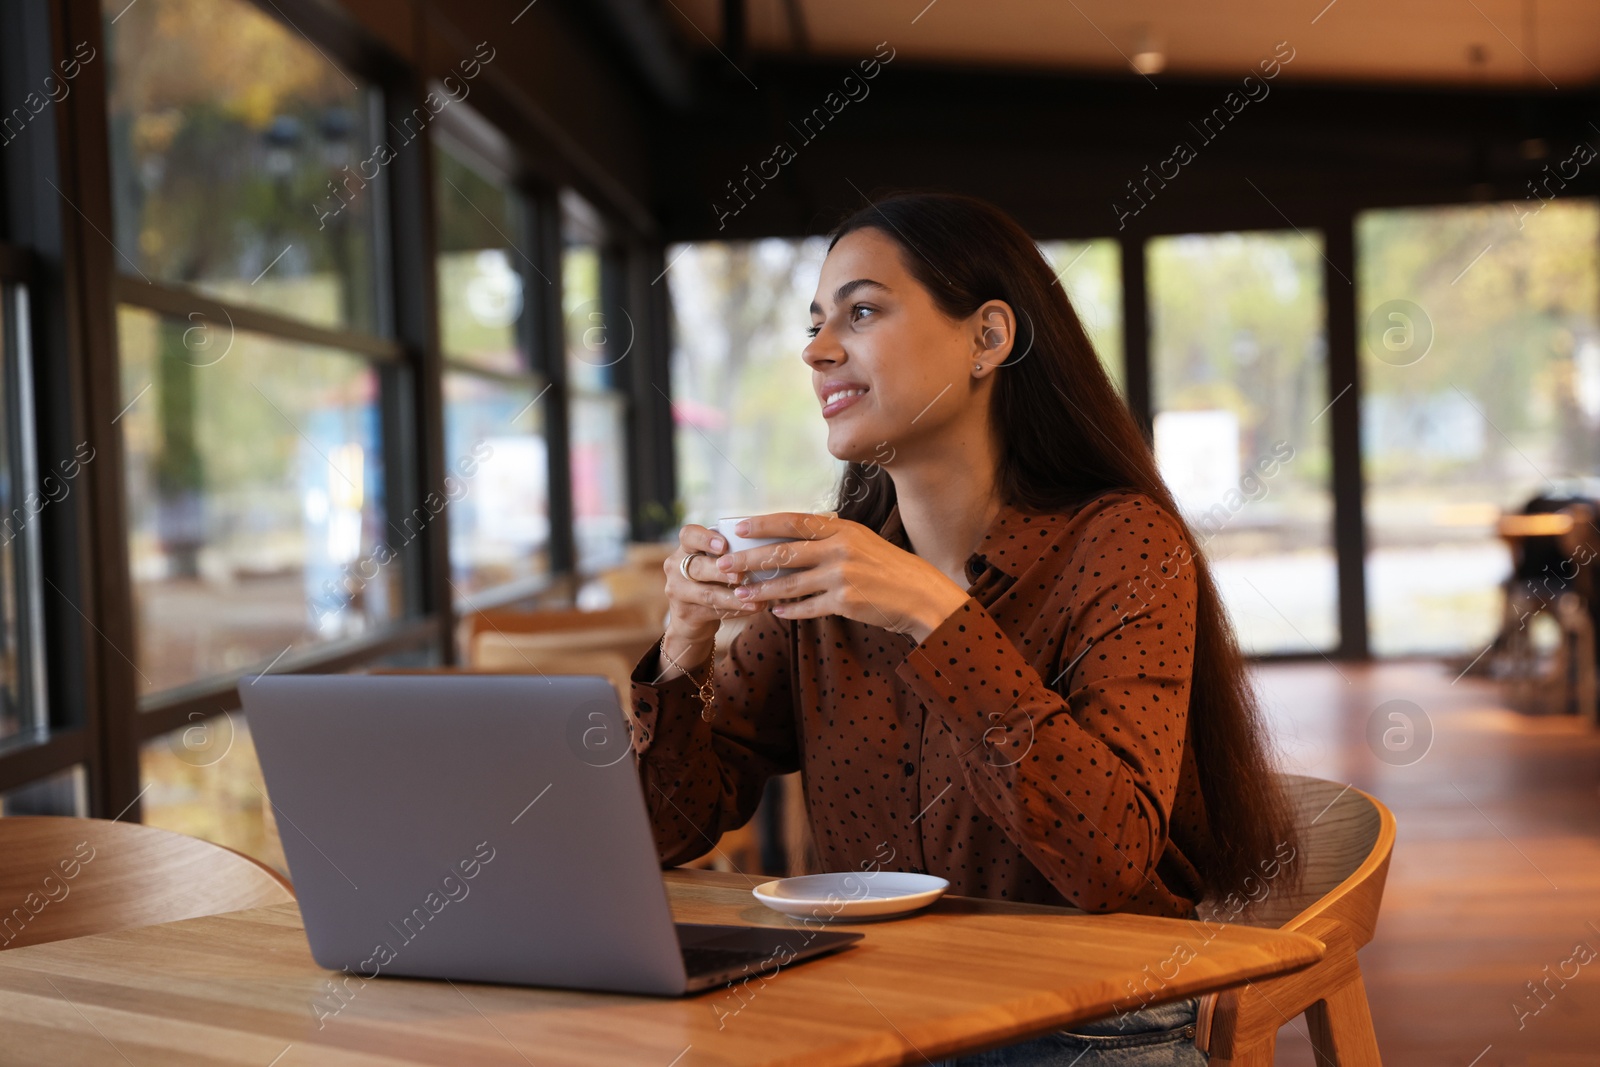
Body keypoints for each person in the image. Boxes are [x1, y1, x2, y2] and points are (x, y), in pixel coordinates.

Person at [627, 192, 1301, 1064]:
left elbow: (1111, 860)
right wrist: (682, 649)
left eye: (861, 310)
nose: (816, 348)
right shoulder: (826, 576)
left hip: (1085, 1027)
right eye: (816, 322)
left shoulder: (1123, 543)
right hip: (874, 1013)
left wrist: (932, 615)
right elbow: (663, 833)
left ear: (988, 338)